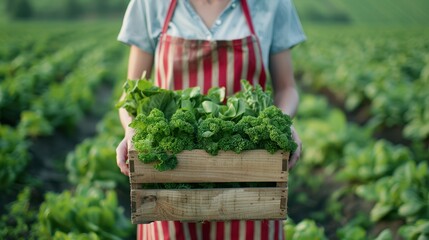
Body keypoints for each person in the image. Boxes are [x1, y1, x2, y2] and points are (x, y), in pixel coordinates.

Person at [116, 0, 305, 239]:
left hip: (249, 182)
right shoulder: (150, 3)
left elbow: (287, 88)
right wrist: (132, 129)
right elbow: (130, 94)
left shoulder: (272, 4)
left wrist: (282, 122)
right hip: (170, 178)